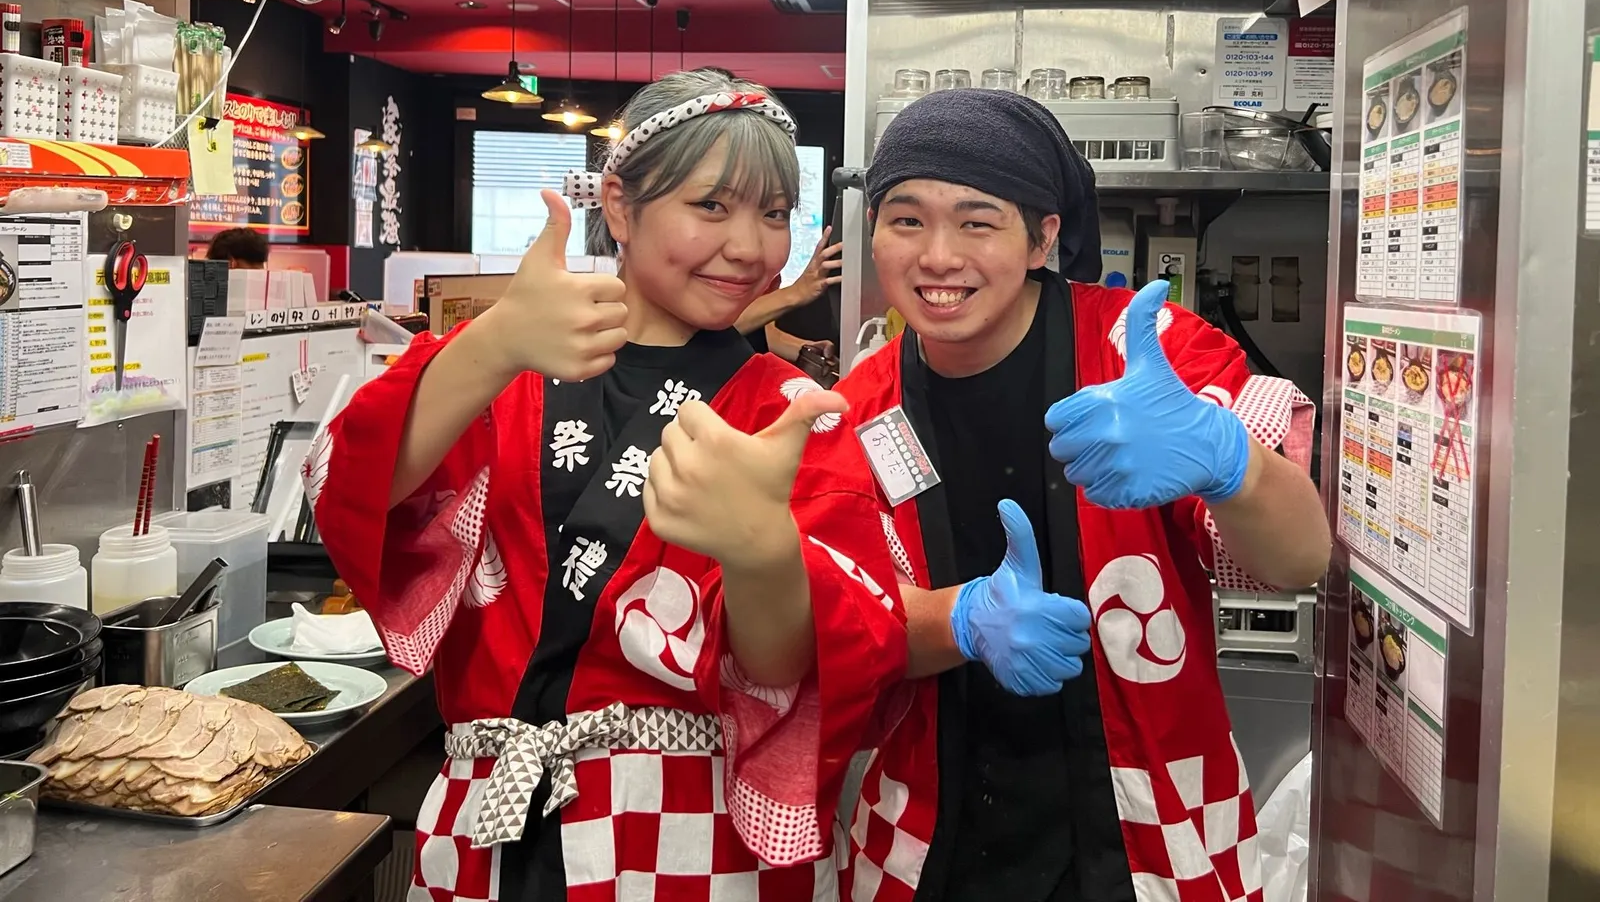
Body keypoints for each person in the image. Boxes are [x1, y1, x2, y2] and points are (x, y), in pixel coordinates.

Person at [306, 70, 905, 902]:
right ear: (619, 206)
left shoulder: (788, 413)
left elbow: (785, 667)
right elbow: (347, 494)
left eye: (774, 213)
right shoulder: (506, 367)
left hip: (696, 835)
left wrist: (760, 549)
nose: (751, 246)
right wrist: (492, 344)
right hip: (492, 817)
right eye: (712, 206)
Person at [834, 88, 1330, 902]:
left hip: (1160, 831)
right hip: (925, 839)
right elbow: (851, 624)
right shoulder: (859, 411)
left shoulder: (1150, 359)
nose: (937, 255)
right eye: (906, 218)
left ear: (1043, 237)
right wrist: (958, 619)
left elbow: (1296, 560)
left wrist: (1229, 461)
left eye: (977, 221)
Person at [736, 226, 844, 363]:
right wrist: (798, 291)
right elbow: (717, 324)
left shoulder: (767, 270)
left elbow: (758, 327)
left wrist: (806, 350)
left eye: (776, 214)